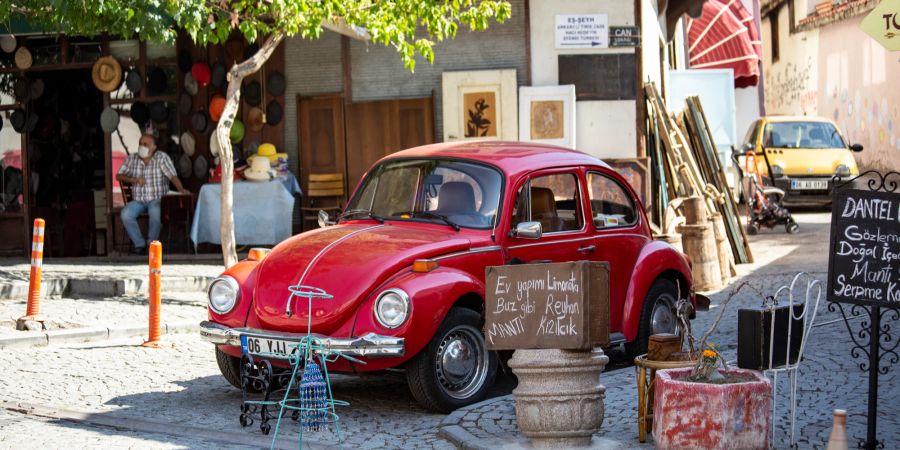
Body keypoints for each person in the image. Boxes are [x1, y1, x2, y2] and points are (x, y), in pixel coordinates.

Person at [116, 134, 188, 254]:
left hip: (157, 199)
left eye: (145, 144)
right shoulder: (132, 158)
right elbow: (118, 175)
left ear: (153, 147)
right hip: (139, 200)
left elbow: (172, 176)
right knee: (125, 214)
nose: (141, 147)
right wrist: (134, 180)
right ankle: (139, 245)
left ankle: (151, 244)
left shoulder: (161, 158)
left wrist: (181, 189)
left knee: (156, 211)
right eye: (140, 144)